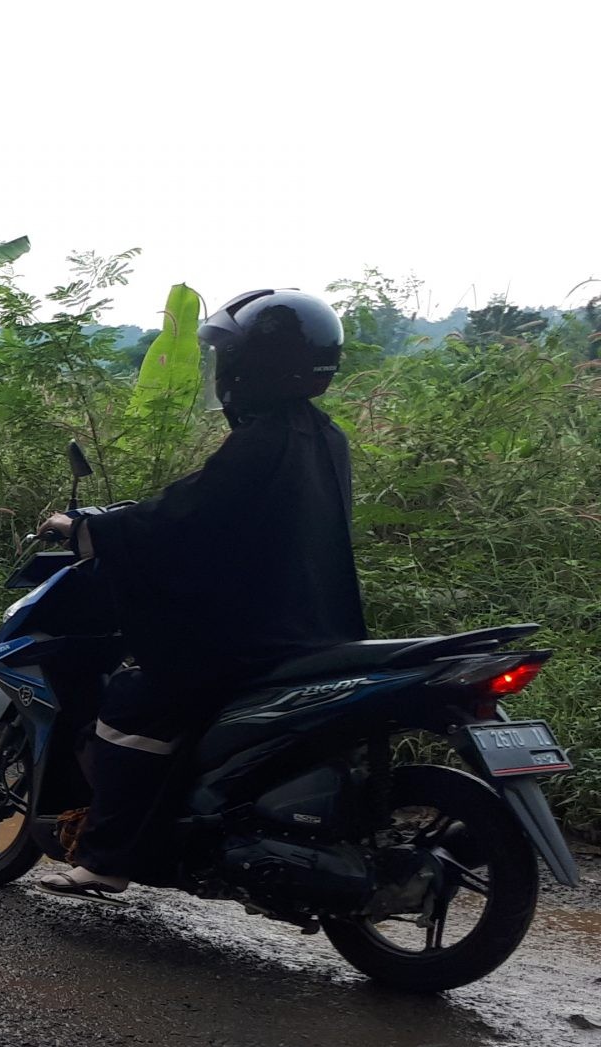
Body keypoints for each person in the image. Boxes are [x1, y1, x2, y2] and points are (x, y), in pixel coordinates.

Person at [35, 287, 367, 895]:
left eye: (228, 360)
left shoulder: (261, 443)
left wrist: (88, 528)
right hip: (317, 624)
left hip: (254, 635)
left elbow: (183, 519)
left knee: (137, 698)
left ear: (250, 367)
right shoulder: (323, 436)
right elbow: (220, 515)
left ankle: (107, 859)